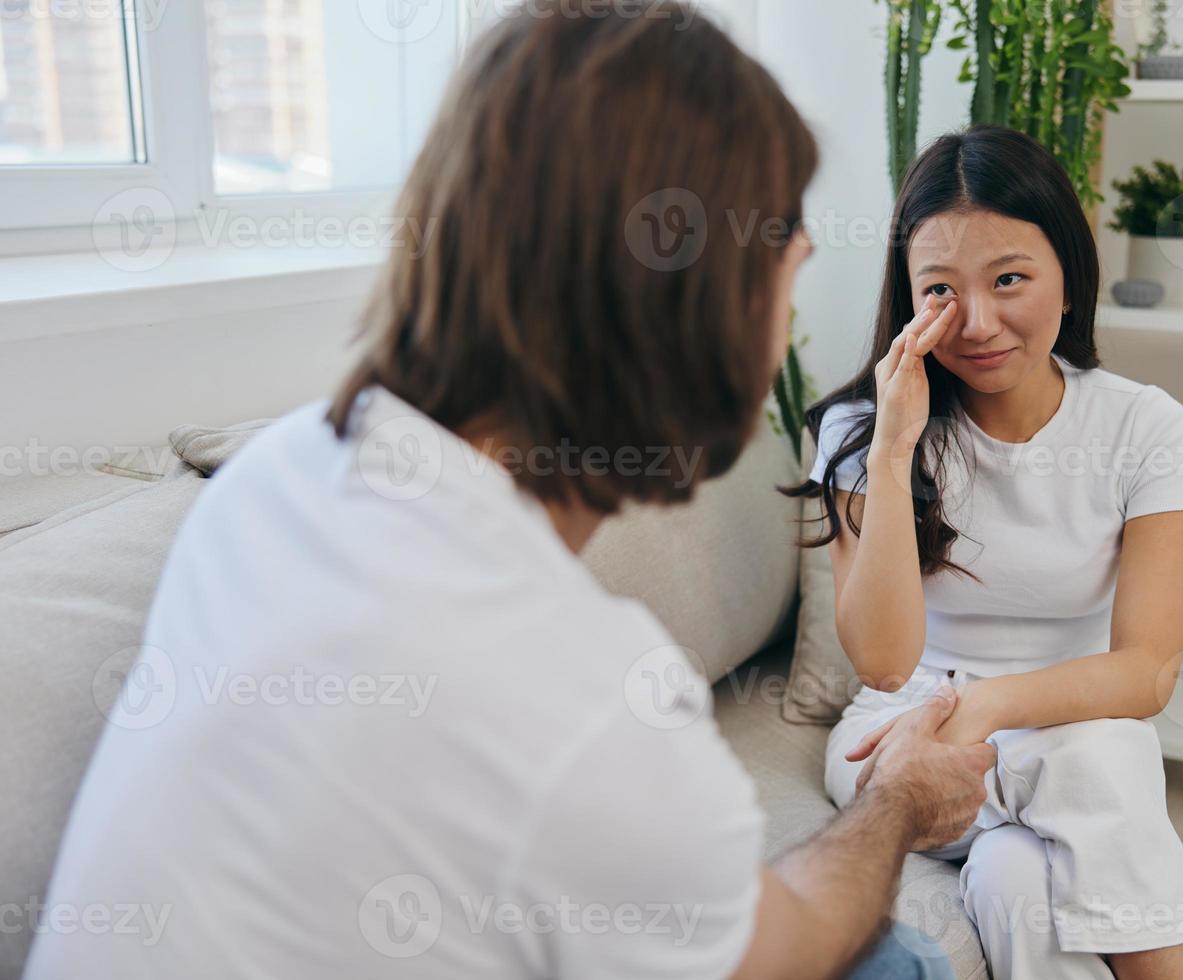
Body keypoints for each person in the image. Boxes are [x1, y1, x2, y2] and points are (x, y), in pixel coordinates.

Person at [23, 4, 994, 979]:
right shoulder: (586, 700)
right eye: (789, 276)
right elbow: (784, 950)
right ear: (705, 302)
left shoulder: (274, 476)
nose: (785, 324)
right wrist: (899, 800)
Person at [792, 126, 1183, 979]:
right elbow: (881, 662)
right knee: (1102, 761)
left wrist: (986, 706)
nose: (977, 323)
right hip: (901, 738)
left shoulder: (1146, 427)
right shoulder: (860, 430)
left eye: (1010, 279)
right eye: (941, 291)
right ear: (909, 297)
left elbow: (1146, 672)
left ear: (1068, 274)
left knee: (1015, 873)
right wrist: (893, 447)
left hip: (1064, 725)